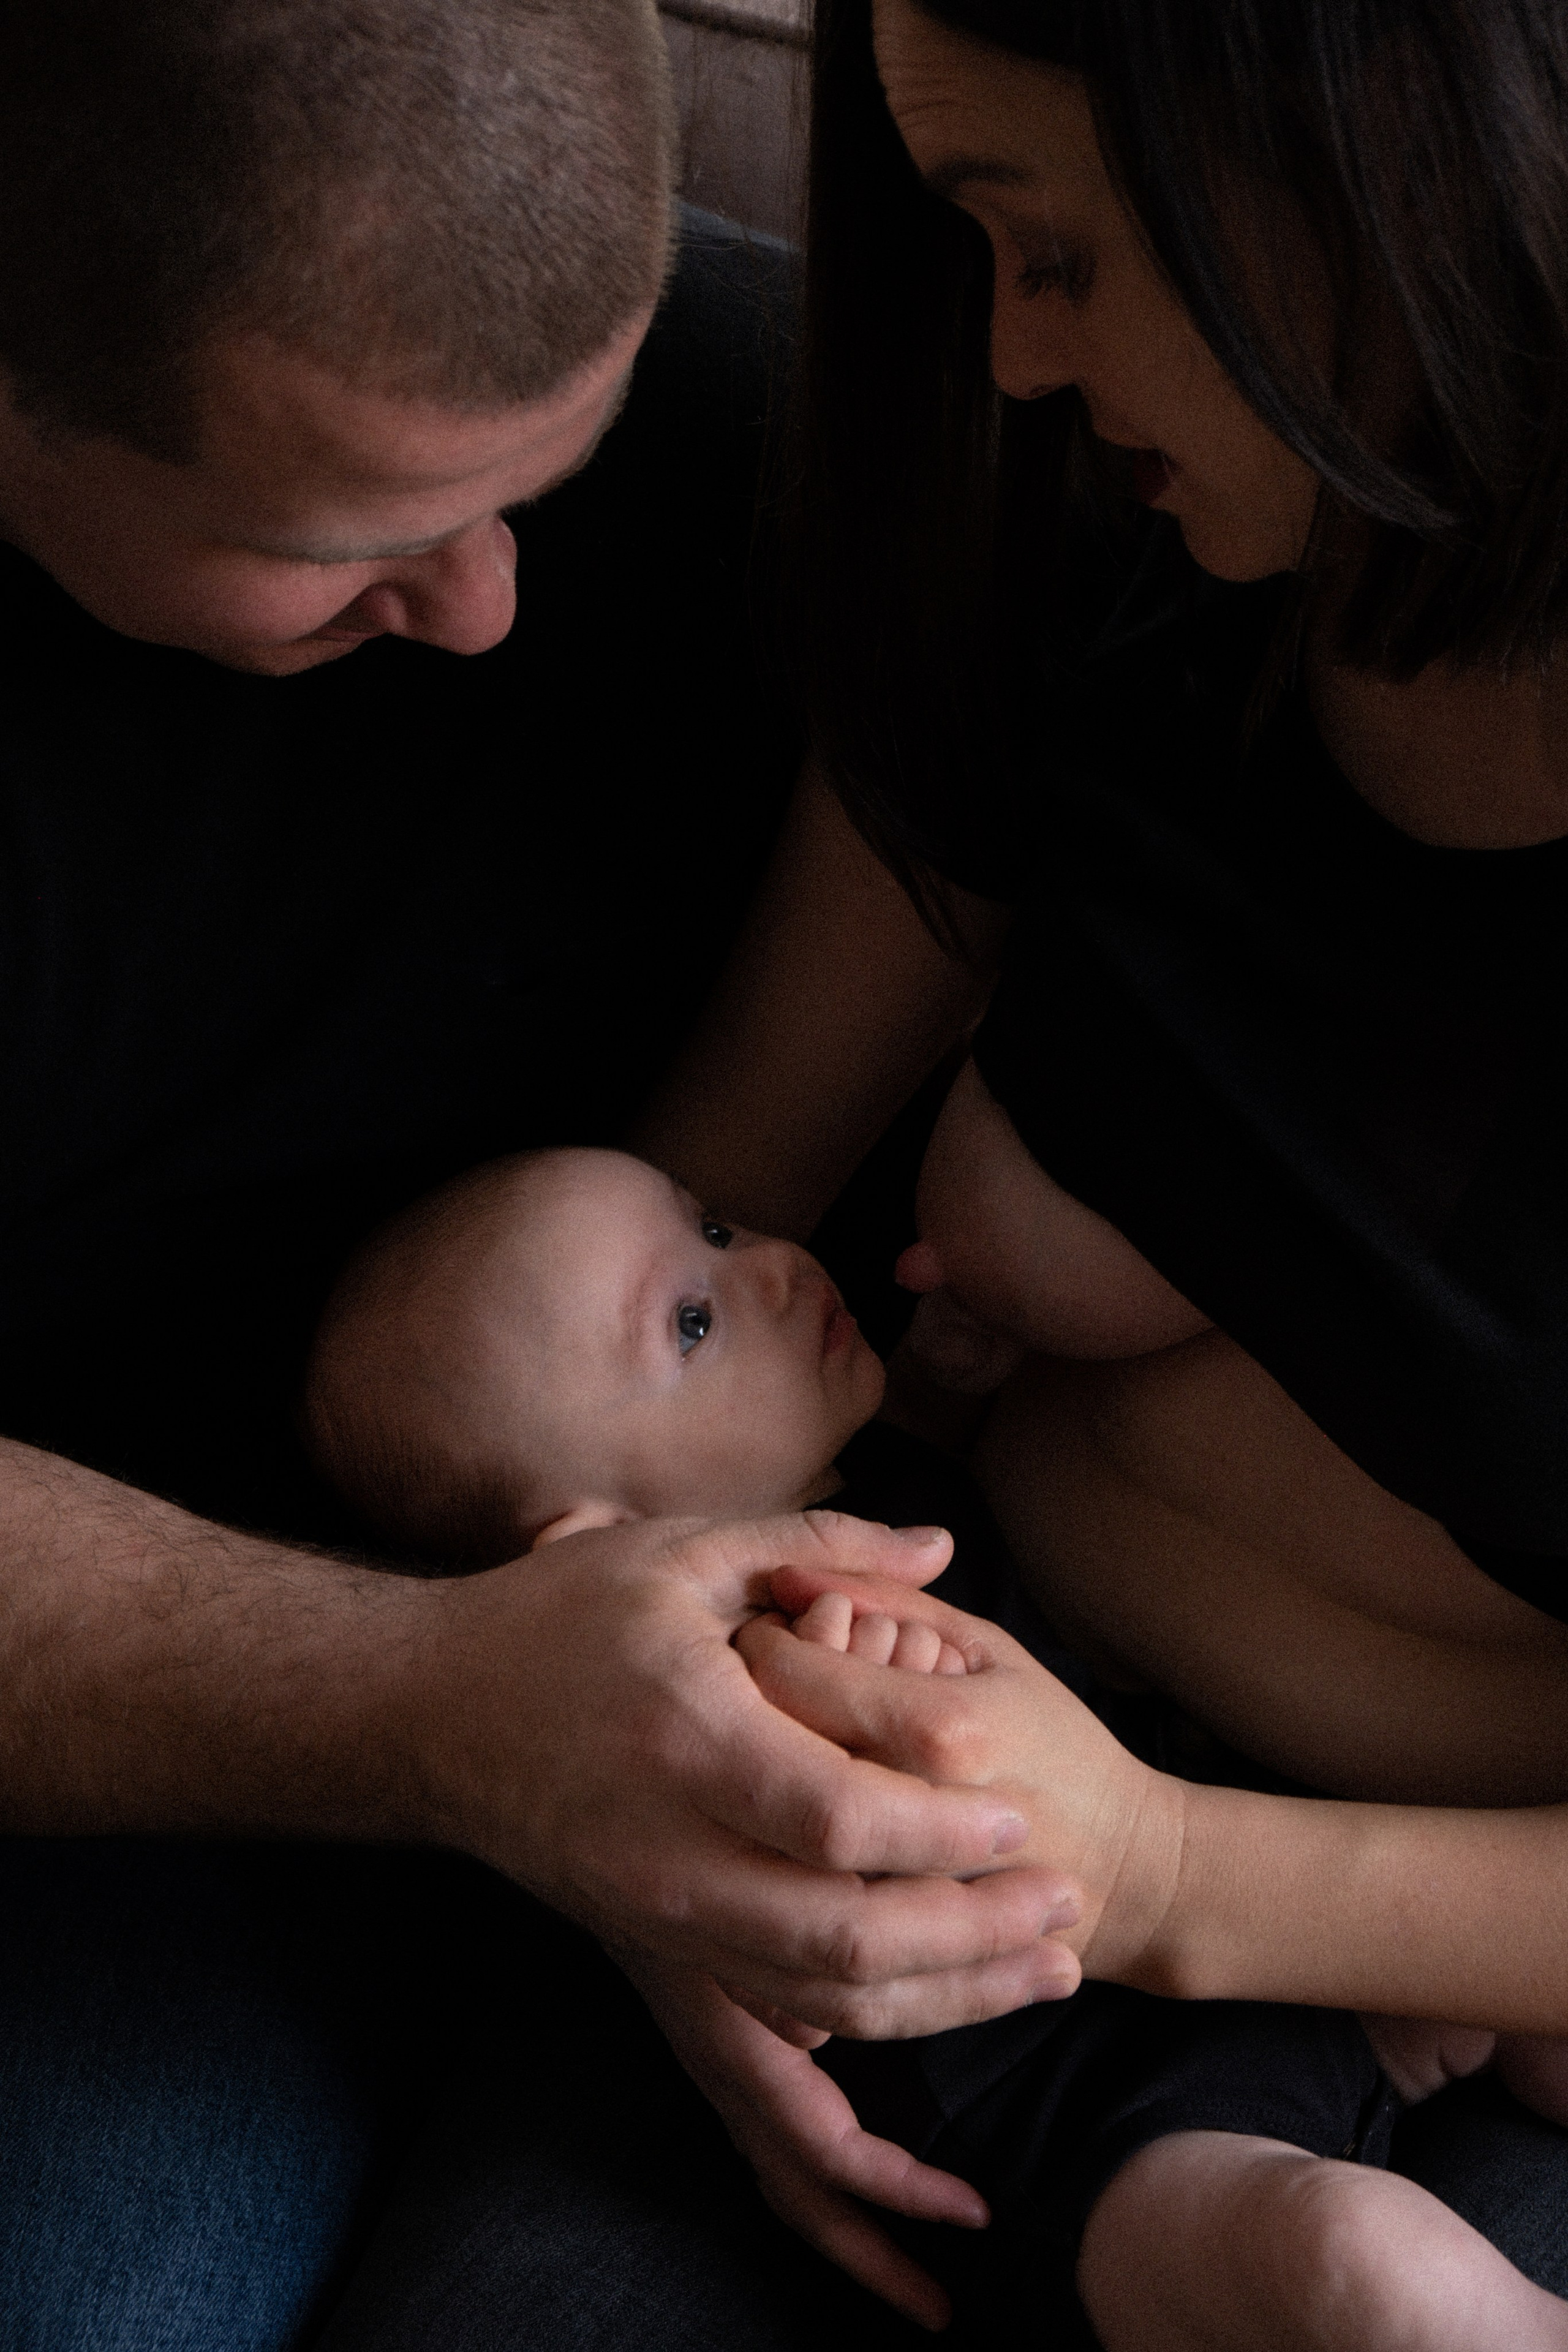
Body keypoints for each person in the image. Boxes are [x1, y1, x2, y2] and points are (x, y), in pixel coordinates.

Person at [0, 5, 1083, 2343]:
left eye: (541, 486)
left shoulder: (777, 423)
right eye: (350, 547)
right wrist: (460, 1713)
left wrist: (690, 1668)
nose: (484, 609)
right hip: (130, 1728)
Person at [622, 0, 1568, 2343]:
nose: (1019, 358)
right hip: (956, 1859)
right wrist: (640, 1793)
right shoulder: (1080, 563)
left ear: (1391, 179)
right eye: (974, 250)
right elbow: (672, 1242)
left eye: (1060, 252)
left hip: (1402, 1945)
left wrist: (1152, 1871)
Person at [304, 1139, 1568, 2348]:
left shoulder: (855, 1486)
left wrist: (948, 1381)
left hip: (1282, 1959)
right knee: (1345, 2262)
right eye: (691, 1321)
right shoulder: (725, 1687)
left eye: (715, 1224)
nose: (773, 1266)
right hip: (1074, 2138)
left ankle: (1400, 2049)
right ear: (597, 1549)